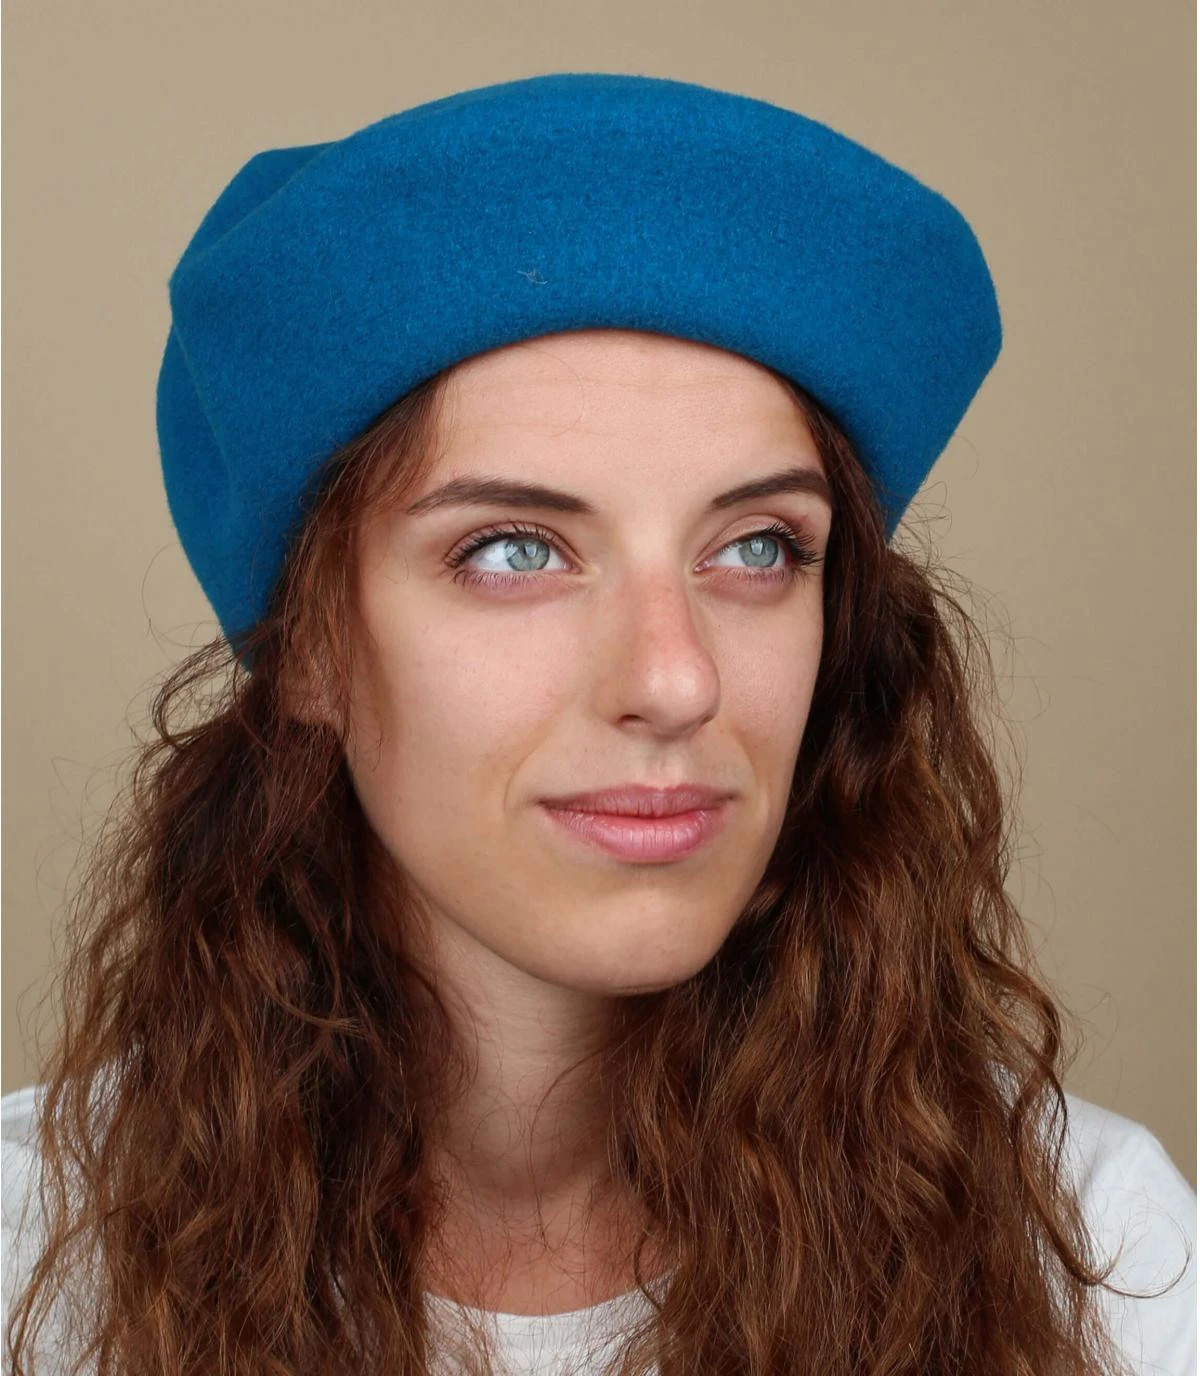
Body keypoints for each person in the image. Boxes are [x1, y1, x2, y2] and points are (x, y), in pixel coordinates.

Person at [2, 72, 1194, 1376]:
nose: (676, 681)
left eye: (757, 546)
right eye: (514, 549)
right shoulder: (33, 1257)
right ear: (313, 650)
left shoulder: (1101, 1258)